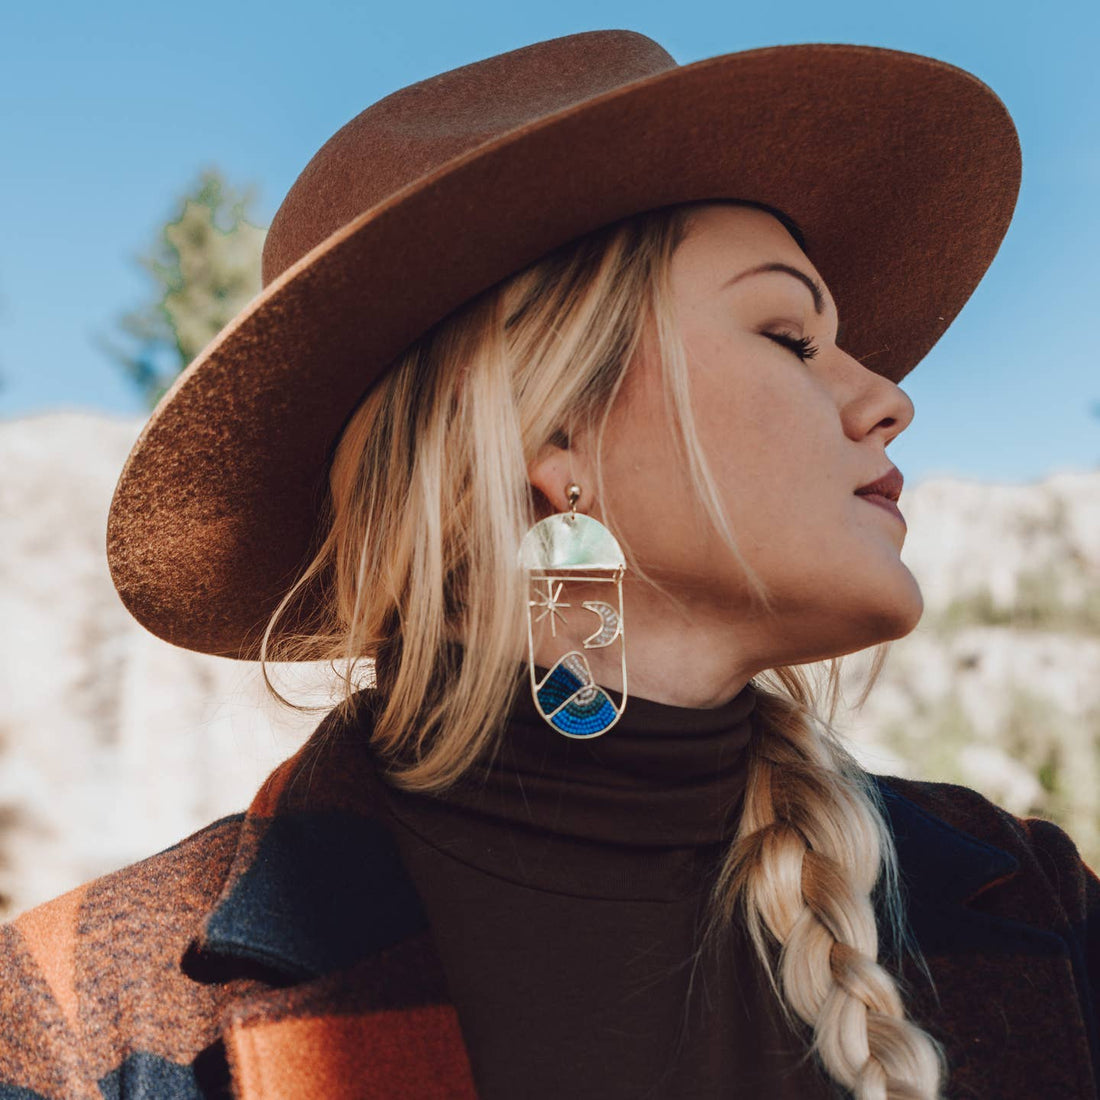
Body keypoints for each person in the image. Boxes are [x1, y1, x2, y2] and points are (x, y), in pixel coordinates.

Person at [1, 27, 1096, 1100]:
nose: (889, 400)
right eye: (788, 337)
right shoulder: (82, 1017)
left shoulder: (1033, 904)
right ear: (552, 436)